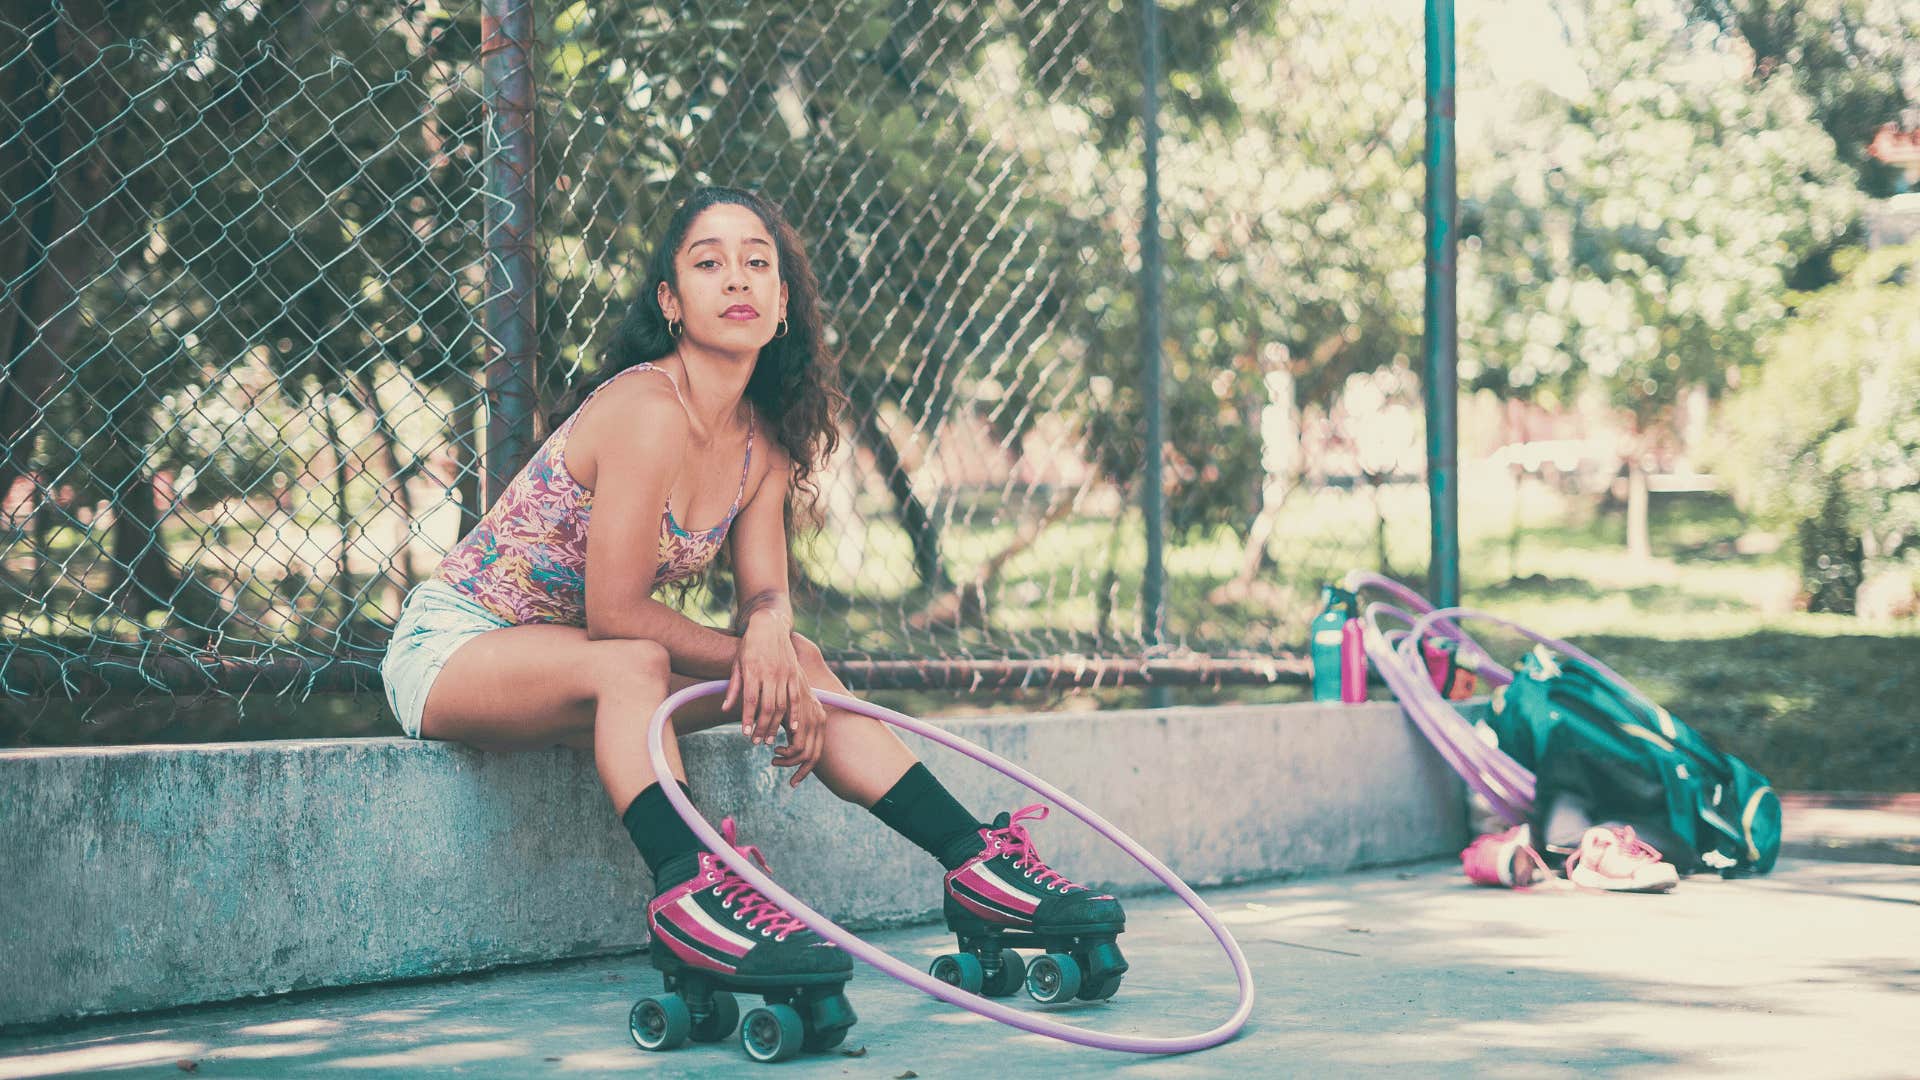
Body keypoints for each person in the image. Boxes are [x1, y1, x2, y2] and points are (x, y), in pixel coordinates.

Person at [380, 186, 1124, 999]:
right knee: (633, 661)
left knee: (798, 656)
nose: (736, 278)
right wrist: (752, 656)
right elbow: (615, 614)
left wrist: (772, 635)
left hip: (576, 670)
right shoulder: (645, 406)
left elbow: (766, 593)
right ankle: (694, 894)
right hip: (459, 650)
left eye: (756, 263)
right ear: (671, 301)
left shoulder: (759, 445)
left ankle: (978, 865)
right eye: (708, 263)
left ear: (781, 306)